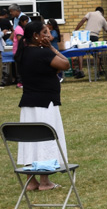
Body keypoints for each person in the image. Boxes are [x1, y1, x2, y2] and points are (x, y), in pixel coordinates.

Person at [15, 19, 71, 191]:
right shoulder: (44, 53)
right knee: (45, 140)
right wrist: (52, 48)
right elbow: (65, 64)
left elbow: (52, 68)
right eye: (45, 32)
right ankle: (45, 182)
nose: (49, 36)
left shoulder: (23, 53)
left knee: (30, 140)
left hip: (29, 104)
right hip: (45, 104)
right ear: (35, 36)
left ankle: (31, 181)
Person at [71, 6, 107, 78]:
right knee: (95, 55)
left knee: (81, 53)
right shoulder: (103, 19)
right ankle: (99, 71)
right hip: (95, 37)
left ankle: (81, 71)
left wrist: (75, 31)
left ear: (96, 10)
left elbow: (82, 21)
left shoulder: (90, 13)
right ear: (102, 12)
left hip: (86, 36)